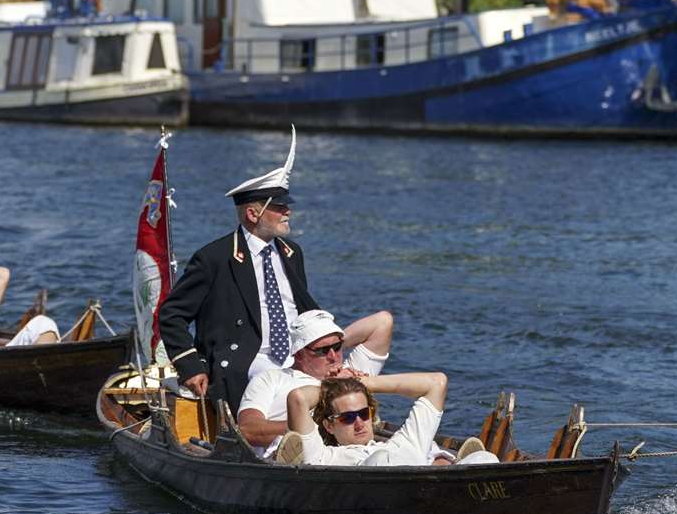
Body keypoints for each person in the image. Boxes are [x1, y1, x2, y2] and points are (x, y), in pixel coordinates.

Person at [158, 127, 387, 412]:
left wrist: (330, 350)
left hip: (299, 354)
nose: (287, 211)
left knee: (367, 348)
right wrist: (191, 367)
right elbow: (171, 315)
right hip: (251, 359)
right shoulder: (214, 258)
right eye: (279, 206)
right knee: (314, 393)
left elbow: (304, 311)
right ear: (253, 214)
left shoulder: (292, 253)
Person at [237, 310, 393, 457]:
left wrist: (334, 343)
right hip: (298, 458)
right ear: (298, 354)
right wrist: (307, 427)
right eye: (322, 351)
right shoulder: (271, 378)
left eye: (337, 347)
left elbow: (383, 322)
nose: (333, 357)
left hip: (355, 455)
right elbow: (248, 430)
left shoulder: (350, 372)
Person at [277, 373, 497, 468]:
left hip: (417, 474)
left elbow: (436, 383)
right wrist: (331, 386)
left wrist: (361, 382)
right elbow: (298, 399)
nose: (359, 422)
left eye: (364, 414)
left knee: (485, 459)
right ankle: (443, 461)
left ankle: (450, 464)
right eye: (347, 417)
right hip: (381, 484)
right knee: (383, 459)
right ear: (329, 425)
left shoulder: (403, 442)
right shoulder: (324, 457)